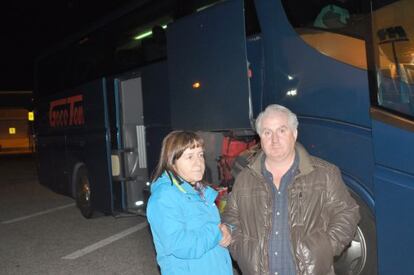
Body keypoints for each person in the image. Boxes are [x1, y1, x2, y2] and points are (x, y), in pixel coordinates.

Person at [222, 104, 360, 275]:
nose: (274, 139)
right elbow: (230, 218)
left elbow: (347, 212)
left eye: (281, 130)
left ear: (294, 134)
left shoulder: (325, 174)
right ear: (260, 138)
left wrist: (325, 247)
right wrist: (242, 250)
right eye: (267, 132)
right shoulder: (245, 179)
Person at [147, 130, 233, 275]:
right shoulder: (164, 198)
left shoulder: (201, 192)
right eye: (190, 157)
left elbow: (216, 225)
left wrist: (227, 230)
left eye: (200, 155)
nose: (198, 163)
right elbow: (180, 244)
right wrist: (217, 232)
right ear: (172, 162)